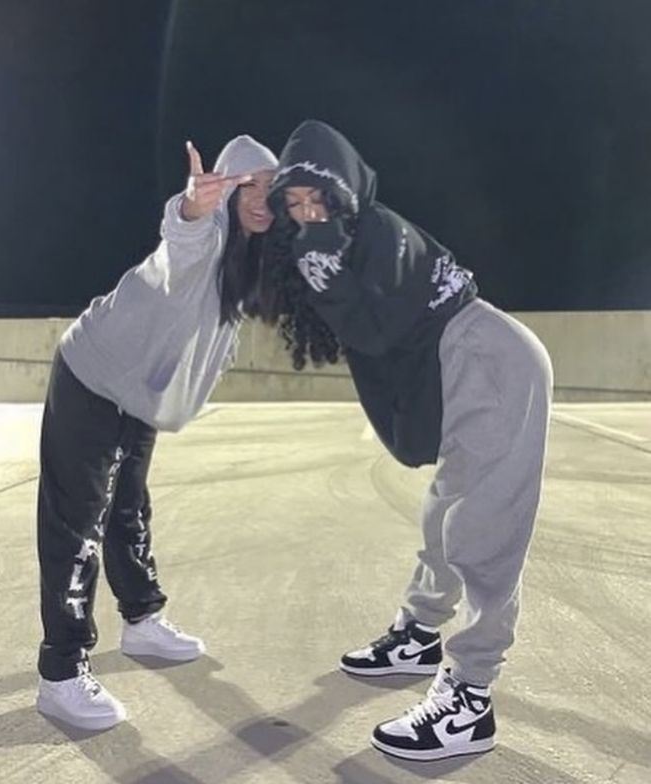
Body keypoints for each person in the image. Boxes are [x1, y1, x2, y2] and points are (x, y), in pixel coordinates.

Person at [259, 120, 552, 761]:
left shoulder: (379, 233)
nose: (309, 215)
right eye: (295, 204)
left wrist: (323, 258)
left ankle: (470, 698)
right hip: (459, 372)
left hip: (491, 366)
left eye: (320, 200)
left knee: (484, 535)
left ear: (347, 193)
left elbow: (378, 329)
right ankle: (420, 634)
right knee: (442, 512)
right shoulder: (338, 247)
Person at [36, 135, 277, 731]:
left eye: (275, 189)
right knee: (78, 523)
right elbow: (182, 235)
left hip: (138, 395)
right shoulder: (210, 237)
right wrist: (193, 205)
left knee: (128, 509)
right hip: (94, 375)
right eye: (252, 186)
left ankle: (141, 622)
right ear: (230, 188)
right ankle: (60, 674)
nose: (264, 201)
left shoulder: (245, 259)